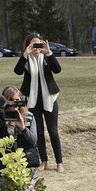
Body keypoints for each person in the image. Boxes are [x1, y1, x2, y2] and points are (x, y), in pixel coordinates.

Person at [14, 32, 64, 172]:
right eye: (33, 44)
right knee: (39, 133)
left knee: (53, 131)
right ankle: (44, 161)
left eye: (39, 43)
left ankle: (59, 162)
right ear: (28, 45)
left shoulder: (47, 57)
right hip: (33, 101)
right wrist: (25, 55)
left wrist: (49, 53)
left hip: (50, 99)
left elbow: (57, 70)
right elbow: (17, 71)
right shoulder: (26, 60)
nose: (37, 47)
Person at [0, 86, 40, 179]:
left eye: (17, 100)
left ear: (21, 100)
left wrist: (23, 128)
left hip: (27, 165)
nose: (14, 104)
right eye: (10, 101)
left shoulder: (28, 117)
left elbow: (34, 141)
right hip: (6, 168)